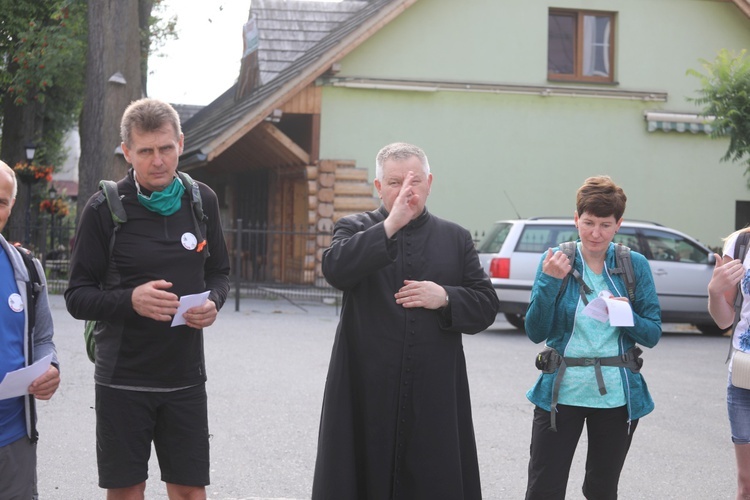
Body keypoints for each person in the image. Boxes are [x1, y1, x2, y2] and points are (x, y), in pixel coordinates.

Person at [311, 142, 500, 499]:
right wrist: (392, 223)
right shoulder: (353, 228)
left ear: (430, 182)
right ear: (379, 188)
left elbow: (486, 306)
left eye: (414, 181)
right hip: (365, 387)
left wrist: (444, 296)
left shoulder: (455, 237)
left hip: (434, 391)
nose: (405, 191)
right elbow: (335, 270)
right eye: (395, 182)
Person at [65, 98, 230, 500]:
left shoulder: (201, 200)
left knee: (190, 491)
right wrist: (129, 300)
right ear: (127, 152)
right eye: (146, 151)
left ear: (180, 143)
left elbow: (220, 273)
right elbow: (76, 296)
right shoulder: (104, 208)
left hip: (185, 377)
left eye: (166, 148)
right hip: (123, 379)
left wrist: (213, 302)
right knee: (127, 492)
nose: (158, 161)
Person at [523, 176, 661, 500]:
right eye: (588, 223)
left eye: (605, 224)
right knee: (544, 489)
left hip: (616, 396)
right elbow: (535, 331)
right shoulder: (557, 260)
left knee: (601, 490)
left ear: (618, 225)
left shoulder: (632, 264)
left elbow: (653, 333)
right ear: (576, 219)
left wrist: (622, 316)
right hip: (561, 394)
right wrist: (548, 282)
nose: (595, 233)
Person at [0, 161, 60, 498]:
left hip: (13, 439)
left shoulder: (26, 268)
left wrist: (49, 367)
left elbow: (42, 338)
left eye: (2, 201)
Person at [707, 228, 750, 499]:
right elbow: (724, 320)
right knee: (747, 484)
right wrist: (714, 291)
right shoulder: (742, 242)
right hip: (745, 375)